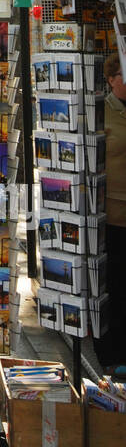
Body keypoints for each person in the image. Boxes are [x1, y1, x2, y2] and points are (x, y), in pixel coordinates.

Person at [101, 53, 126, 373]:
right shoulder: (102, 112)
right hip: (115, 216)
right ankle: (115, 354)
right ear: (111, 79)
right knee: (116, 286)